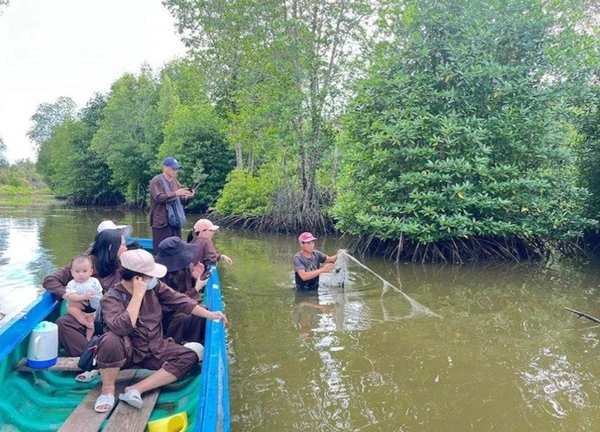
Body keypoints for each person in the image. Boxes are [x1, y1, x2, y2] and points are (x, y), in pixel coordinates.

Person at [93, 249, 227, 413]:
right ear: (137, 278)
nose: (153, 279)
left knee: (189, 356)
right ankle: (107, 390)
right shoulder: (111, 297)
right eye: (149, 275)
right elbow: (122, 327)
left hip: (155, 348)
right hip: (127, 352)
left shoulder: (154, 286)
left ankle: (136, 389)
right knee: (110, 339)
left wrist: (210, 314)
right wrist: (137, 295)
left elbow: (179, 300)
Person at [43, 229, 127, 357]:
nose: (126, 248)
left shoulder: (122, 266)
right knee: (63, 323)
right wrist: (68, 297)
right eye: (123, 245)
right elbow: (50, 281)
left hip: (110, 318)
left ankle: (102, 355)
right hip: (86, 316)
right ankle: (91, 357)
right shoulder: (83, 264)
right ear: (111, 247)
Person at [155, 236, 208, 344]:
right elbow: (172, 303)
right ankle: (173, 345)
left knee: (202, 310)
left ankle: (193, 342)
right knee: (182, 317)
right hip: (167, 316)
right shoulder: (159, 278)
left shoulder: (185, 268)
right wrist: (196, 288)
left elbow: (186, 290)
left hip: (184, 304)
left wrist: (195, 277)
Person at [149, 156, 194, 253]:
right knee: (161, 249)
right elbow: (158, 197)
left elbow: (181, 202)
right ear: (165, 167)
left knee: (176, 249)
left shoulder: (175, 182)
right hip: (161, 222)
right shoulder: (156, 181)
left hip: (175, 222)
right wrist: (176, 193)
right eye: (173, 168)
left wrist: (187, 196)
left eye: (177, 168)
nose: (176, 170)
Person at [65, 254, 103, 341]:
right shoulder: (72, 283)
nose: (81, 274)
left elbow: (100, 294)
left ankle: (88, 338)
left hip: (92, 310)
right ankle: (85, 323)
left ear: (91, 271)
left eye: (84, 271)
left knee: (92, 323)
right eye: (77, 272)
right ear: (72, 272)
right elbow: (70, 295)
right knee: (71, 310)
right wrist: (83, 296)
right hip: (79, 309)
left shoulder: (94, 282)